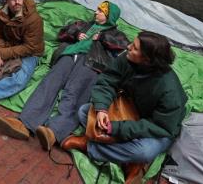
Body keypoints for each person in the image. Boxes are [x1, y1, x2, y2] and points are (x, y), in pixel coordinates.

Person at [0, 1, 127, 151]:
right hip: (70, 55)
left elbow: (122, 46)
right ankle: (25, 123)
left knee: (74, 92)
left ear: (110, 17)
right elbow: (63, 33)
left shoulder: (115, 34)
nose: (96, 12)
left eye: (101, 11)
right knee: (49, 84)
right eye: (97, 9)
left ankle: (54, 132)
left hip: (91, 63)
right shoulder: (84, 24)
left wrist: (102, 37)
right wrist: (76, 34)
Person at [61, 31, 188, 181]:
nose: (128, 47)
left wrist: (115, 128)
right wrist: (102, 109)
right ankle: (129, 162)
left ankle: (89, 146)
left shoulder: (169, 90)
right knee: (84, 112)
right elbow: (107, 80)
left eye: (134, 47)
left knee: (145, 152)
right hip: (126, 111)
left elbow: (161, 127)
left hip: (154, 128)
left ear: (147, 60)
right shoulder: (126, 59)